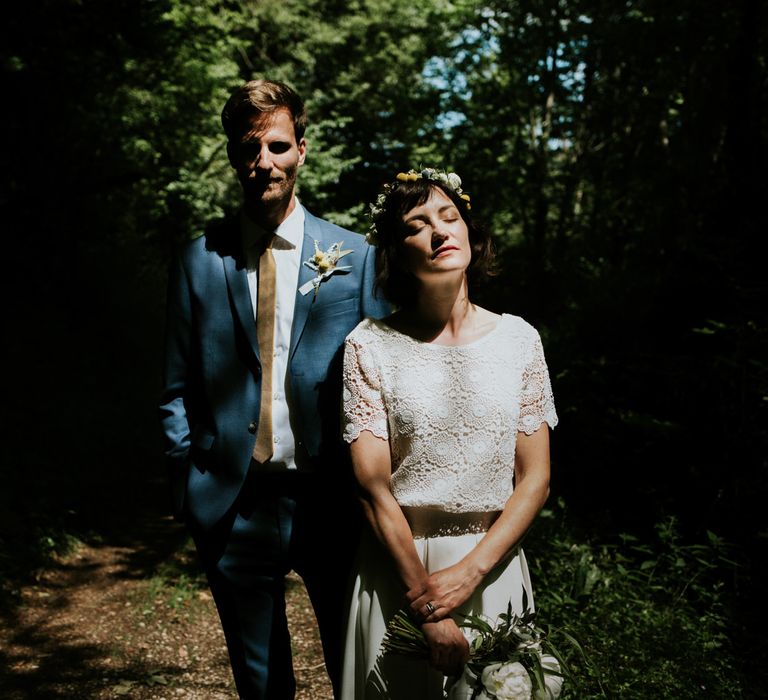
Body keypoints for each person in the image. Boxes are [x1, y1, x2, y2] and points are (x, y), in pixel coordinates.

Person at [158, 79, 388, 699]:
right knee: (261, 686)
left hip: (334, 500)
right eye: (249, 148)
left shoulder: (355, 256)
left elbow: (386, 380)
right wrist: (188, 481)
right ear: (235, 156)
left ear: (302, 151)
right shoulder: (197, 260)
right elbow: (173, 388)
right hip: (235, 504)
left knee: (358, 672)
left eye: (278, 146)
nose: (264, 162)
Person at [339, 168, 561, 699]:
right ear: (396, 250)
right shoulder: (369, 345)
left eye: (449, 217)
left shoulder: (519, 340)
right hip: (403, 571)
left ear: (469, 232)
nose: (439, 232)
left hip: (494, 566)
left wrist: (471, 573)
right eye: (417, 225)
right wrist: (426, 604)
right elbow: (373, 491)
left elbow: (536, 478)